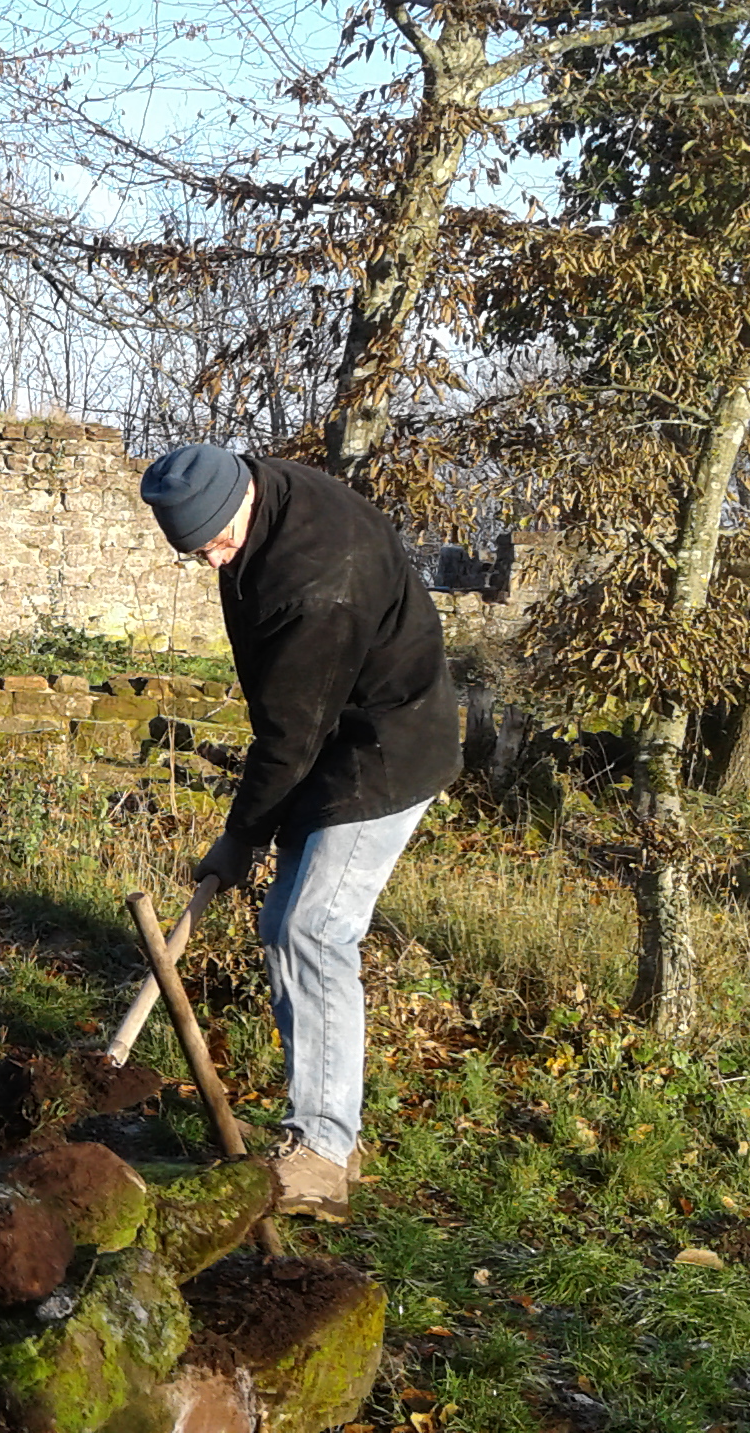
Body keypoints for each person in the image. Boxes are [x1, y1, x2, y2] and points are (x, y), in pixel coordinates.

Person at [139, 443, 459, 1220]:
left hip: (384, 748)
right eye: (198, 552)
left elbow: (290, 737)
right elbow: (293, 719)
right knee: (286, 925)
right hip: (333, 733)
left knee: (311, 930)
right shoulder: (262, 492)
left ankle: (321, 1150)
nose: (215, 561)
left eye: (218, 542)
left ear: (241, 502)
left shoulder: (320, 582)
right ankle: (327, 1125)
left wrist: (241, 836)